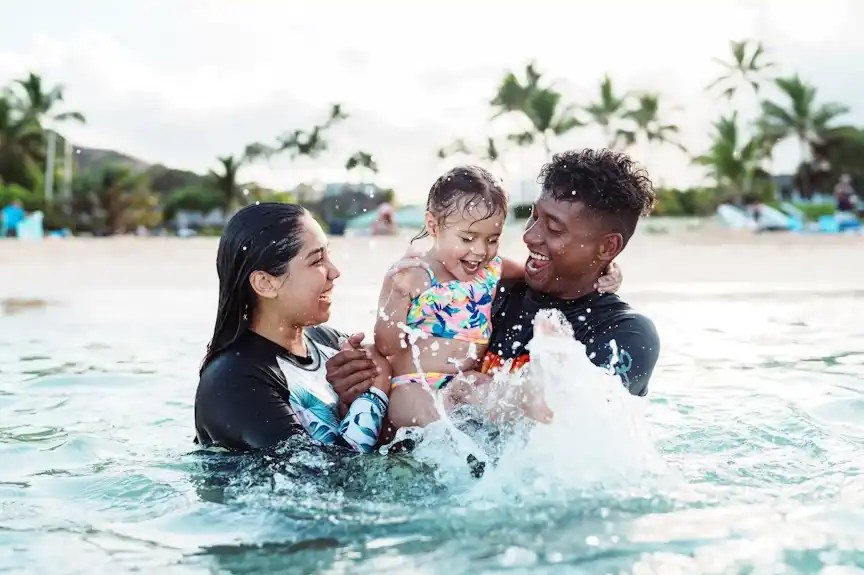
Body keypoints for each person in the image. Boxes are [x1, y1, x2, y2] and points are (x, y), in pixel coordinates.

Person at [374, 166, 622, 430]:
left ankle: (532, 394)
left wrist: (602, 267)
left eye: (493, 239)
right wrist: (399, 294)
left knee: (494, 394)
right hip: (412, 385)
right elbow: (386, 345)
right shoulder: (411, 274)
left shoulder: (492, 270)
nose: (480, 251)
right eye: (467, 238)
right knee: (437, 429)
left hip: (464, 381)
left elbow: (542, 273)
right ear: (433, 225)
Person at [194, 203, 394, 453]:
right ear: (266, 283)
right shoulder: (233, 382)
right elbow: (325, 480)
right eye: (317, 260)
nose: (335, 272)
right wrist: (373, 395)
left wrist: (351, 401)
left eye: (328, 255)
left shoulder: (330, 344)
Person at [478, 149, 660, 399]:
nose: (529, 236)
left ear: (608, 247)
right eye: (534, 216)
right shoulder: (493, 293)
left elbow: (571, 419)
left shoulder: (626, 335)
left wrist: (467, 389)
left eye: (553, 228)